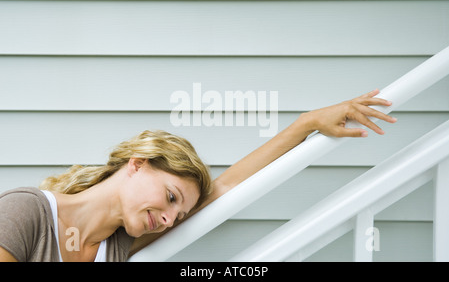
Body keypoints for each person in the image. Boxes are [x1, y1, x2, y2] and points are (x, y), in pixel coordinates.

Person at [0, 89, 396, 262]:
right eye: (172, 198)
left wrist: (306, 123)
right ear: (138, 163)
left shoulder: (118, 246)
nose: (171, 220)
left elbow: (227, 186)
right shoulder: (26, 213)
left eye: (180, 215)